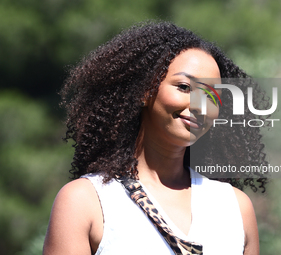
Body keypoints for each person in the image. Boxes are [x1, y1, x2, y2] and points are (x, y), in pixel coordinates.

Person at [43, 21, 268, 255]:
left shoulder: (234, 207)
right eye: (184, 87)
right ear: (144, 90)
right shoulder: (86, 202)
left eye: (212, 97)